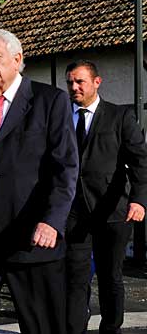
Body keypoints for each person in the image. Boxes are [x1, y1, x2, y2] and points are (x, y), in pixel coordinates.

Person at [0, 28, 78, 334]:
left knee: (41, 326)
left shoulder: (50, 101)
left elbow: (65, 167)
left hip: (31, 238)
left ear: (17, 59)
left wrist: (52, 220)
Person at [64, 60, 147, 334]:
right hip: (74, 213)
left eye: (80, 82)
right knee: (75, 277)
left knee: (111, 277)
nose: (74, 87)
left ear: (97, 82)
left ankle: (110, 329)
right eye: (70, 82)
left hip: (113, 211)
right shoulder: (62, 117)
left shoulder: (119, 117)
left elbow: (139, 161)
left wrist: (139, 199)